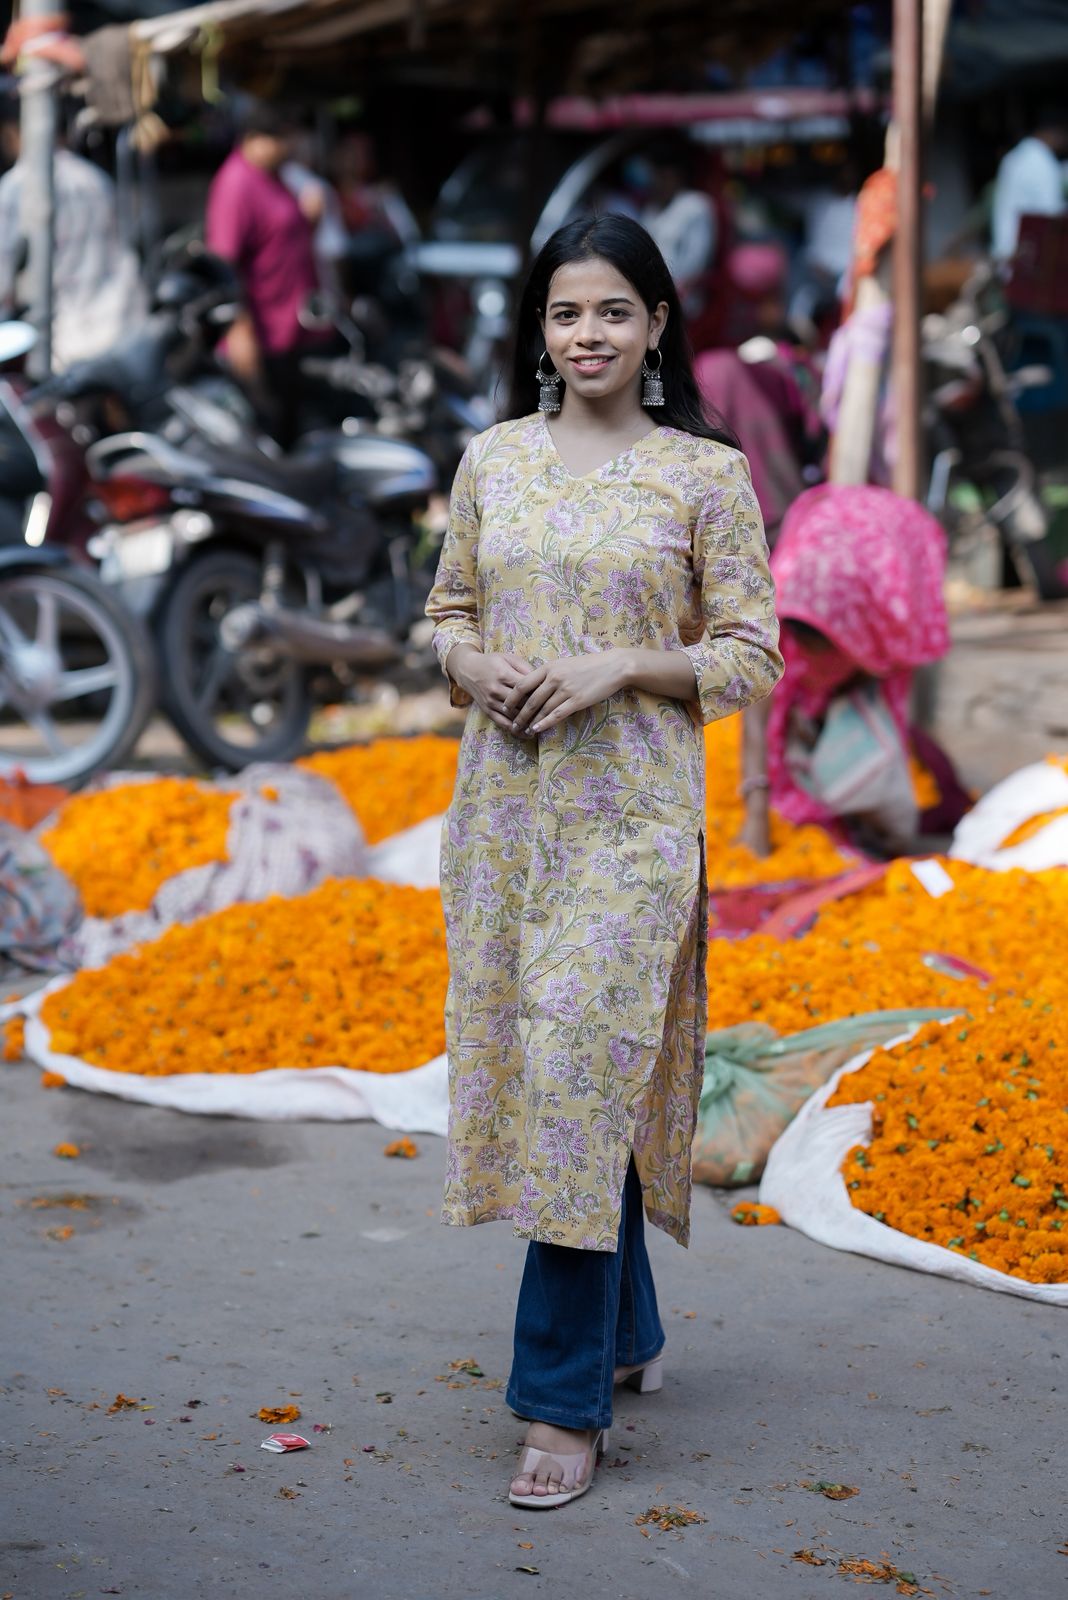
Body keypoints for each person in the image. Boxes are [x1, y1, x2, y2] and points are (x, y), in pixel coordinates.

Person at [424, 214, 783, 1510]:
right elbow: (447, 612)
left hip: (634, 822)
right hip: (507, 821)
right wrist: (475, 664)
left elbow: (750, 652)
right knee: (567, 1076)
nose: (590, 335)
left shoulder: (704, 475)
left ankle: (558, 1401)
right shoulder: (492, 463)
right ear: (539, 329)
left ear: (657, 326)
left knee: (581, 1060)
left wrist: (618, 666)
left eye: (615, 312)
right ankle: (627, 1333)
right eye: (568, 313)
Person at [738, 483, 971, 860]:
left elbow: (889, 710)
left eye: (829, 656)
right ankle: (813, 807)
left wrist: (883, 815)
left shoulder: (888, 616)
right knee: (791, 710)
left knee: (877, 738)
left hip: (889, 547)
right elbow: (758, 714)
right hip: (822, 573)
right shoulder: (774, 611)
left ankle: (865, 815)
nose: (814, 668)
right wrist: (757, 813)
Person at [205, 102, 320, 446]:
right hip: (262, 333)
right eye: (282, 140)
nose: (289, 148)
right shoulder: (236, 183)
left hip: (289, 327)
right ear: (255, 139)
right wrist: (240, 331)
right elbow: (223, 265)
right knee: (271, 432)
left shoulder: (274, 177)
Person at [0, 101, 145, 370]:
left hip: (63, 347)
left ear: (14, 132)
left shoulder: (15, 188)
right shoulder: (94, 178)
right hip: (120, 328)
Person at [638, 137, 718, 317]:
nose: (657, 182)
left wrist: (671, 293)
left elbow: (696, 262)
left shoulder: (696, 206)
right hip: (649, 298)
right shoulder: (651, 209)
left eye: (662, 176)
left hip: (683, 303)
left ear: (676, 175)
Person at [991, 109, 1068, 263]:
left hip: (1005, 253)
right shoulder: (1042, 162)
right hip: (1026, 259)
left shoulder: (1014, 157)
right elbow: (1051, 214)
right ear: (1056, 132)